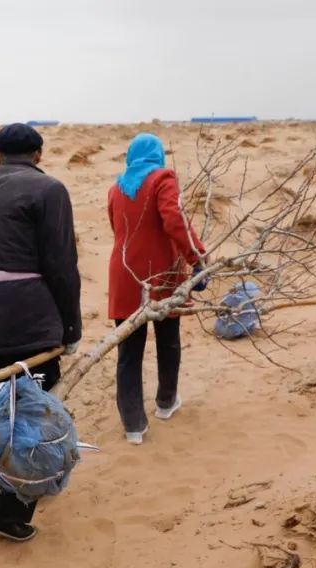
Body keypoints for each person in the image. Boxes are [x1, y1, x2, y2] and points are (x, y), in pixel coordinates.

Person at [0, 122, 82, 542]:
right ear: (39, 155)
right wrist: (71, 327)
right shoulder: (49, 190)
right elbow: (61, 264)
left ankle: (15, 479)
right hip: (25, 314)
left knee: (13, 397)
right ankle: (9, 510)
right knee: (32, 407)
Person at [107, 133, 207, 445]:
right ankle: (166, 403)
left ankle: (134, 425)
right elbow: (174, 220)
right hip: (162, 273)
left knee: (129, 352)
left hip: (125, 274)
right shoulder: (163, 178)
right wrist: (198, 258)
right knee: (168, 340)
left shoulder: (115, 188)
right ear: (158, 155)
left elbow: (117, 228)